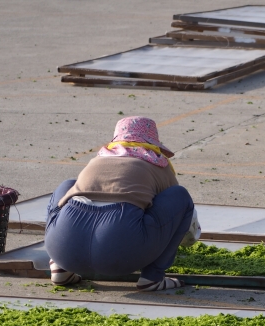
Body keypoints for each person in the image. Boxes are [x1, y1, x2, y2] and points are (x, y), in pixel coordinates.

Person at [44, 117, 199, 291]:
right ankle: (152, 277)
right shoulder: (157, 163)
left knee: (67, 185)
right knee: (180, 195)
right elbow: (179, 213)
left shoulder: (98, 160)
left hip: (63, 248)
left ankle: (59, 267)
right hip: (121, 254)